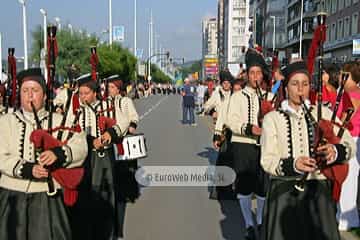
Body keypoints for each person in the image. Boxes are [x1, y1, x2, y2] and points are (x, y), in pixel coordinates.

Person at [260, 60, 355, 240]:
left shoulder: (323, 113)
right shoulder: (272, 119)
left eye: (305, 84)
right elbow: (267, 160)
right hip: (285, 192)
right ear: (286, 88)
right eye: (295, 84)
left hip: (319, 191)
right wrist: (294, 164)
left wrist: (335, 151)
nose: (300, 89)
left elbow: (349, 144)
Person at [0, 68, 88, 240]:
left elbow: (81, 146)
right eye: (25, 91)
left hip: (47, 197)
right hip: (11, 195)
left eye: (35, 90)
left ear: (45, 96)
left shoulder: (59, 120)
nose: (29, 95)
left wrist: (59, 154)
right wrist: (27, 169)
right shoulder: (5, 122)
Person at [68, 73, 130, 240]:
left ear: (95, 92)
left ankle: (108, 232)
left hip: (104, 157)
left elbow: (124, 121)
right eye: (80, 93)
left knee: (106, 192)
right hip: (85, 159)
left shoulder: (108, 105)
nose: (83, 97)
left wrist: (110, 134)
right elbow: (68, 132)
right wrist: (89, 141)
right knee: (87, 195)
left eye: (86, 93)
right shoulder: (76, 110)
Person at [227, 49, 273, 240]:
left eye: (258, 73)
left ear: (263, 75)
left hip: (263, 146)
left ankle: (260, 221)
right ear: (246, 75)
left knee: (262, 187)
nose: (255, 76)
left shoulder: (269, 97)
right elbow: (231, 120)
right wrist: (249, 129)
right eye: (252, 73)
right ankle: (248, 224)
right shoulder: (237, 96)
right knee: (245, 187)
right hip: (242, 146)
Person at [104, 75, 140, 240]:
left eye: (111, 87)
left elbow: (133, 117)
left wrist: (131, 125)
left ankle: (118, 228)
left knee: (120, 189)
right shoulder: (103, 103)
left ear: (118, 89)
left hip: (122, 145)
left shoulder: (125, 101)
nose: (108, 90)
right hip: (107, 146)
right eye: (107, 87)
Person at [337, 61, 360, 231]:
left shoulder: (354, 94)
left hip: (353, 139)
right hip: (347, 138)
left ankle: (348, 219)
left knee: (349, 179)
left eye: (345, 76)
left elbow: (347, 118)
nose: (340, 78)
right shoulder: (345, 93)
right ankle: (343, 215)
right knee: (345, 179)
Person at [210, 70, 234, 200]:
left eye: (228, 83)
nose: (226, 85)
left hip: (235, 131)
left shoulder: (235, 94)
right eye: (224, 83)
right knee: (222, 160)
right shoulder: (217, 93)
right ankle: (219, 191)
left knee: (234, 162)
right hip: (223, 130)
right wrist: (213, 111)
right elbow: (207, 106)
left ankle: (232, 190)